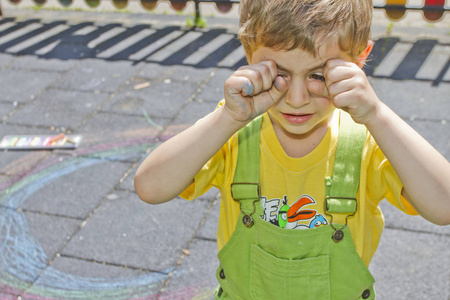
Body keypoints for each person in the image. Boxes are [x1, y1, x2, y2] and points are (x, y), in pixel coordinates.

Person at [134, 0, 450, 299]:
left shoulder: (369, 140)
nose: (297, 99)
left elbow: (443, 207)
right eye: (280, 74)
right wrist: (227, 118)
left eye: (318, 75)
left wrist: (377, 116)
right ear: (249, 58)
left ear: (360, 59)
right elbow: (150, 187)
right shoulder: (235, 130)